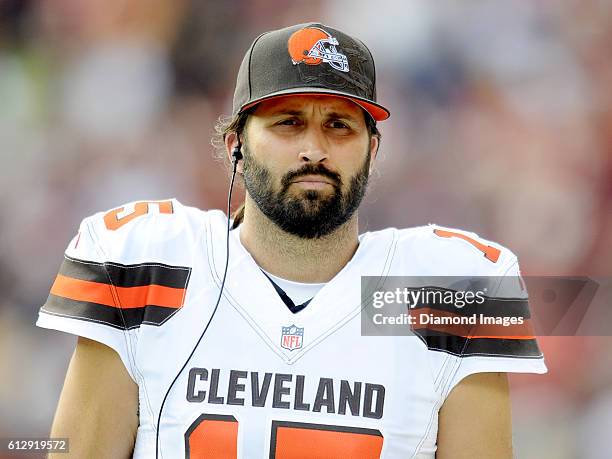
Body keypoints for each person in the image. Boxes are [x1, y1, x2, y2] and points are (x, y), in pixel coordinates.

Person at [38, 23, 546, 458]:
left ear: (373, 149)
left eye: (339, 126)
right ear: (235, 144)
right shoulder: (151, 263)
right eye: (288, 123)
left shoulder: (428, 291)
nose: (314, 149)